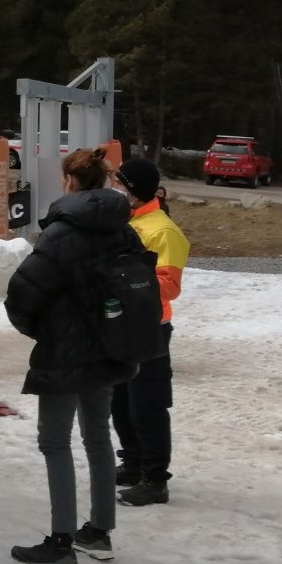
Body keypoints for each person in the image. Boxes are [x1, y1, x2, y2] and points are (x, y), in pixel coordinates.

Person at [5, 149, 141, 564]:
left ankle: (60, 542)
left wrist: (37, 330)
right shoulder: (124, 228)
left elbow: (23, 291)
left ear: (70, 180)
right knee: (98, 437)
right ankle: (98, 532)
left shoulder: (61, 233)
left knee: (55, 442)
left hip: (64, 353)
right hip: (108, 347)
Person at [110, 158, 190, 506]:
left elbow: (169, 286)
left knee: (148, 403)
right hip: (122, 324)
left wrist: (124, 279)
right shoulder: (123, 221)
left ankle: (155, 478)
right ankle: (133, 460)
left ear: (132, 191)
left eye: (119, 184)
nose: (114, 189)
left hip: (151, 328)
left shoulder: (163, 231)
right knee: (121, 400)